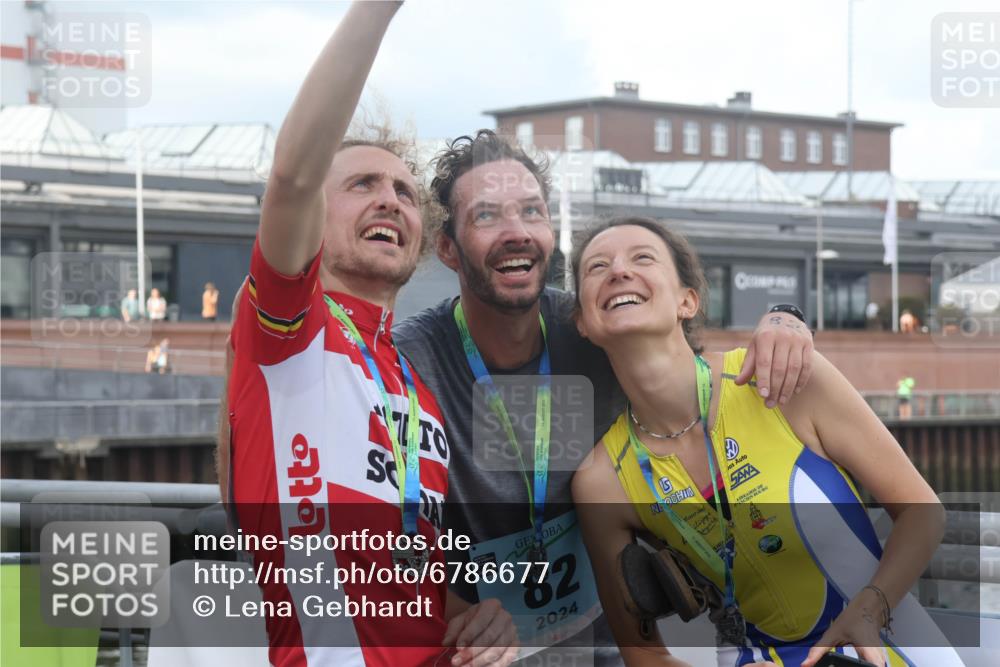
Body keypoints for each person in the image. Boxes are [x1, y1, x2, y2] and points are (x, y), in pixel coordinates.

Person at [392, 131, 817, 663]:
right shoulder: (408, 360)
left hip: (605, 640)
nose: (517, 232)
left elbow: (688, 365)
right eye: (487, 216)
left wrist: (786, 319)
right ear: (448, 247)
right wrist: (448, 604)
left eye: (531, 211)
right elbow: (371, 520)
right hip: (478, 649)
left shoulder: (590, 329)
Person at [223, 4, 515, 666]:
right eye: (362, 184)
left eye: (406, 193)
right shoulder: (291, 330)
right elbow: (294, 173)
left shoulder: (418, 388)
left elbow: (411, 583)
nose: (391, 200)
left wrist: (479, 621)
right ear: (313, 218)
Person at [570, 217, 959, 666]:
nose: (619, 271)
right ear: (583, 322)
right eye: (597, 267)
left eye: (643, 258)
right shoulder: (601, 480)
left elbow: (923, 513)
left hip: (890, 644)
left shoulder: (781, 382)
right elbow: (643, 655)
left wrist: (870, 609)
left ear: (687, 301)